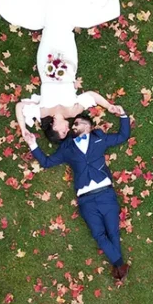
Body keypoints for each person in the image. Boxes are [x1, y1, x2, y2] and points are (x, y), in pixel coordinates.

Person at [17, 103, 132, 282]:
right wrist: (33, 144)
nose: (74, 125)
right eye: (74, 124)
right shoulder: (67, 148)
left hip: (105, 195)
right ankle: (119, 264)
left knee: (113, 232)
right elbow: (47, 162)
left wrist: (122, 114)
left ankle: (119, 267)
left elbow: (123, 135)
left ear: (90, 126)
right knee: (99, 235)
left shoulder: (100, 139)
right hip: (86, 201)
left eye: (78, 122)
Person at [0, 0, 120, 117]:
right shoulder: (73, 112)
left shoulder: (43, 112)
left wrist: (24, 130)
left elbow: (20, 107)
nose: (66, 130)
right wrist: (108, 106)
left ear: (54, 129)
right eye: (65, 132)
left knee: (50, 31)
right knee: (66, 33)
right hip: (69, 60)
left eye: (62, 132)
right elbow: (91, 96)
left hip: (46, 63)